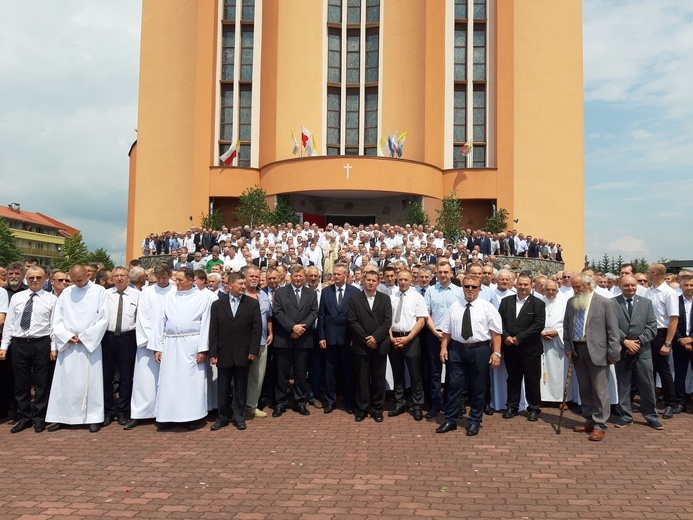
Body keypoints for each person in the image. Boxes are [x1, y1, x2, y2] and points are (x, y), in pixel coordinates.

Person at [46, 265, 110, 433]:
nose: (76, 283)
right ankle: (62, 417)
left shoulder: (99, 291)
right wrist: (66, 335)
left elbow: (104, 318)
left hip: (89, 344)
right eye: (73, 280)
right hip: (69, 344)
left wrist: (86, 336)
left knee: (91, 381)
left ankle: (93, 418)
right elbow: (57, 319)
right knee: (64, 382)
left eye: (79, 280)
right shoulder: (66, 293)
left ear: (87, 275)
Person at [436, 275, 502, 436]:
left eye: (474, 287)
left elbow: (496, 333)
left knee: (478, 387)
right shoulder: (455, 306)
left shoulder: (487, 307)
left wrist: (496, 353)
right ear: (462, 287)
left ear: (479, 288)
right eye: (467, 286)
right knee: (454, 386)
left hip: (479, 350)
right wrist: (443, 348)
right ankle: (450, 419)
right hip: (457, 350)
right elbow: (446, 331)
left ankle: (474, 421)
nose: (470, 289)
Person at [150, 267, 213, 430]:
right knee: (169, 380)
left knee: (190, 381)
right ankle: (167, 416)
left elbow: (206, 324)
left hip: (191, 344)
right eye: (175, 280)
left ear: (191, 281)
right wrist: (158, 347)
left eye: (180, 280)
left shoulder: (202, 298)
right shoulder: (170, 296)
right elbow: (160, 322)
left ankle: (192, 417)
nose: (176, 283)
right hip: (171, 343)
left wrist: (202, 349)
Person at [564, 273, 621, 441]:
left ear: (588, 285)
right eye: (573, 287)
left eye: (578, 287)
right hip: (578, 350)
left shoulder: (604, 303)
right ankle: (589, 419)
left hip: (598, 352)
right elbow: (567, 326)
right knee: (585, 388)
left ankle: (600, 425)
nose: (574, 290)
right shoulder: (571, 302)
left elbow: (613, 331)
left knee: (600, 390)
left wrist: (613, 354)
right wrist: (568, 347)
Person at [0, 266, 57, 433]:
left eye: (38, 277)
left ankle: (39, 417)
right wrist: (4, 346)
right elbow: (10, 323)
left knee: (41, 382)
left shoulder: (51, 299)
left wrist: (53, 347)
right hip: (19, 343)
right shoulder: (17, 298)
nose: (34, 280)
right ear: (26, 278)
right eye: (31, 277)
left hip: (42, 342)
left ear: (45, 278)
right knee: (20, 383)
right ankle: (24, 416)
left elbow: (53, 326)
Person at [209, 272, 262, 431]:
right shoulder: (218, 305)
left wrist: (253, 350)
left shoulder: (252, 304)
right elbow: (213, 331)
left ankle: (240, 417)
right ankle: (222, 418)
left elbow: (256, 329)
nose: (243, 287)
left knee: (240, 387)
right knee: (223, 388)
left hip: (243, 353)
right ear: (230, 285)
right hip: (223, 352)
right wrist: (213, 353)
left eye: (244, 284)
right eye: (240, 284)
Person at [126, 263, 174, 429]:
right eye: (158, 278)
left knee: (168, 380)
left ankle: (166, 414)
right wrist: (153, 343)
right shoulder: (146, 292)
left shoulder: (175, 291)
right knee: (144, 380)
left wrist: (164, 340)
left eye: (164, 278)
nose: (161, 281)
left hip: (170, 341)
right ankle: (140, 413)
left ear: (170, 276)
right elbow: (142, 317)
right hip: (147, 344)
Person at [612, 275, 661, 429]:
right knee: (623, 383)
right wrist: (625, 341)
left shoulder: (646, 303)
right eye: (626, 285)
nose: (630, 288)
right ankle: (626, 415)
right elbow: (611, 326)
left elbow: (652, 327)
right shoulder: (612, 303)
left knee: (646, 384)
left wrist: (638, 341)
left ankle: (651, 416)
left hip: (643, 350)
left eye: (633, 285)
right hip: (622, 349)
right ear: (620, 286)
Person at [271, 265, 318, 417]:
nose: (298, 279)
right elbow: (277, 312)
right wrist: (292, 327)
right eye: (295, 276)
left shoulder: (311, 293)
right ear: (290, 277)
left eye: (300, 276)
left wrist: (300, 329)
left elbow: (313, 312)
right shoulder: (280, 292)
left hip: (303, 340)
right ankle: (280, 403)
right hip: (284, 339)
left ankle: (300, 402)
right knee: (282, 373)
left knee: (300, 373)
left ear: (304, 277)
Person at [499, 272, 546, 421]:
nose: (523, 287)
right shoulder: (506, 302)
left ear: (531, 285)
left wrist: (519, 338)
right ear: (516, 284)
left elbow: (538, 325)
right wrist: (505, 336)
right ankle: (512, 407)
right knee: (513, 379)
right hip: (510, 348)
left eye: (526, 284)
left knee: (532, 380)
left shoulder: (538, 303)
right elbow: (499, 322)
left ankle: (533, 408)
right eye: (520, 284)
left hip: (530, 349)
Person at [348, 269, 392, 422]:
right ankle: (362, 409)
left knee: (378, 379)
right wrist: (367, 338)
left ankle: (377, 409)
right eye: (368, 280)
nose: (371, 283)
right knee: (362, 380)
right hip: (362, 345)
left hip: (379, 345)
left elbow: (387, 322)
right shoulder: (355, 299)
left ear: (378, 282)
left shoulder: (385, 299)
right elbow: (352, 321)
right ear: (364, 281)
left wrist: (375, 338)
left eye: (374, 280)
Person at [423, 260, 463, 419]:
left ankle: (453, 405)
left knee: (455, 373)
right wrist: (435, 331)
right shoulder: (430, 291)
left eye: (446, 272)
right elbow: (427, 314)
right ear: (436, 273)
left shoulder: (459, 291)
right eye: (440, 272)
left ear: (451, 273)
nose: (443, 275)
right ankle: (435, 405)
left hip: (454, 337)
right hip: (435, 335)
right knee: (434, 373)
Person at [318, 263, 359, 414]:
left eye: (338, 274)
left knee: (348, 372)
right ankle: (330, 401)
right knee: (329, 372)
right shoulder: (326, 292)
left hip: (347, 339)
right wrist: (321, 336)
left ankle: (349, 402)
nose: (335, 276)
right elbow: (321, 315)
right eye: (334, 274)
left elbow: (356, 317)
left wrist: (355, 337)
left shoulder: (354, 292)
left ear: (346, 275)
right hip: (329, 339)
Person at [101, 267, 140, 427]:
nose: (119, 279)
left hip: (128, 338)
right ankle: (108, 411)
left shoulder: (137, 295)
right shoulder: (105, 295)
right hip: (108, 337)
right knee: (106, 376)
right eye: (115, 276)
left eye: (122, 276)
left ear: (128, 278)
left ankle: (123, 410)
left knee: (126, 376)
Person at [388, 269, 427, 421]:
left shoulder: (417, 297)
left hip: (411, 338)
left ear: (411, 280)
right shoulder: (392, 297)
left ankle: (417, 405)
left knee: (415, 373)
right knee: (397, 373)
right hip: (394, 338)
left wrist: (408, 338)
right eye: (400, 279)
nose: (403, 282)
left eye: (406, 279)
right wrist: (391, 336)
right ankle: (399, 402)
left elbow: (421, 320)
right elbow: (387, 319)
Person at [644, 263, 678, 419]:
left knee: (663, 370)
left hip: (661, 334)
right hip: (647, 333)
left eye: (648, 272)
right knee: (648, 370)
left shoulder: (669, 293)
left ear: (655, 274)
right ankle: (649, 402)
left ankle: (670, 403)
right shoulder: (647, 292)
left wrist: (667, 343)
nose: (646, 274)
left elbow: (673, 320)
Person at [243, 266, 273, 419]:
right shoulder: (239, 295)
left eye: (257, 276)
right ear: (245, 278)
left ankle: (251, 406)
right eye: (251, 276)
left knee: (258, 376)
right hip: (243, 343)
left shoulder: (264, 295)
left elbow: (268, 316)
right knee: (240, 376)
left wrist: (271, 332)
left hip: (261, 341)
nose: (255, 278)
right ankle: (239, 406)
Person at [539, 281, 569, 403]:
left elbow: (567, 324)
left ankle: (561, 399)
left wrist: (557, 331)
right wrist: (540, 332)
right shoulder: (538, 304)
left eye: (553, 290)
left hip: (558, 342)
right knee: (541, 369)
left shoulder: (564, 305)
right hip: (542, 340)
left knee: (559, 371)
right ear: (543, 290)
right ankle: (542, 398)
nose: (551, 292)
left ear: (557, 291)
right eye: (548, 289)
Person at [672, 274, 693, 414]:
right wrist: (681, 340)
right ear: (681, 286)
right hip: (679, 343)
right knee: (679, 374)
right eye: (686, 285)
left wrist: (691, 339)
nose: (689, 288)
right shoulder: (675, 301)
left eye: (691, 285)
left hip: (692, 341)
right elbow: (673, 322)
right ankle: (679, 402)